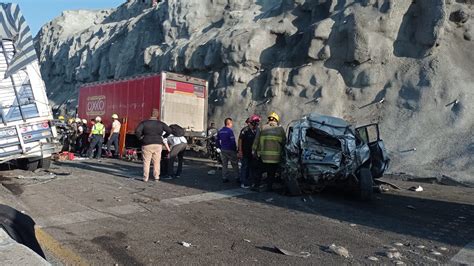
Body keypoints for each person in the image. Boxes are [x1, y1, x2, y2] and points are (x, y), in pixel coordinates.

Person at [252, 112, 286, 192]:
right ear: (276, 120)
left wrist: (253, 151)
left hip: (263, 156)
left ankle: (256, 186)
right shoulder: (280, 129)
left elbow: (256, 140)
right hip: (275, 158)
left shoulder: (262, 127)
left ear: (269, 119)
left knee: (259, 172)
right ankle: (269, 188)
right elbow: (284, 142)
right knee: (271, 174)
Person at [135, 108, 172, 182]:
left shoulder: (144, 123)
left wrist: (141, 138)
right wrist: (163, 137)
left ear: (150, 114)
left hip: (147, 144)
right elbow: (169, 130)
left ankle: (145, 178)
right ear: (157, 115)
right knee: (157, 161)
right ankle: (156, 177)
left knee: (146, 162)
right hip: (158, 144)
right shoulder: (161, 123)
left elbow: (137, 131)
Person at [238, 115, 260, 189]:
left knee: (251, 168)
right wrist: (240, 151)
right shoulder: (245, 130)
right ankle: (243, 182)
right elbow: (240, 140)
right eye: (256, 123)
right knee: (244, 167)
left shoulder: (256, 131)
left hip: (252, 153)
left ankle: (250, 182)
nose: (257, 125)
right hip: (245, 152)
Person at [216, 118, 239, 183]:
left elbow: (217, 140)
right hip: (230, 150)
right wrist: (235, 149)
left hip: (223, 150)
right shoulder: (230, 131)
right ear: (229, 123)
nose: (232, 124)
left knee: (224, 164)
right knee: (234, 164)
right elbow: (233, 141)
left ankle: (224, 177)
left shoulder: (220, 131)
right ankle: (237, 177)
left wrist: (219, 147)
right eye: (231, 123)